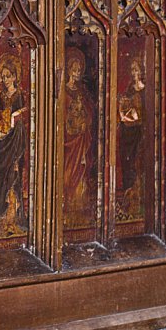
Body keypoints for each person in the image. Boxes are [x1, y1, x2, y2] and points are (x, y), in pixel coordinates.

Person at [0, 53, 28, 233]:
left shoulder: (19, 94)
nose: (4, 79)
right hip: (3, 140)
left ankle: (15, 214)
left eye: (7, 76)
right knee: (1, 175)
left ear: (14, 76)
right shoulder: (2, 95)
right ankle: (2, 214)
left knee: (14, 173)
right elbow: (1, 112)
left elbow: (25, 111)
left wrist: (13, 115)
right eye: (2, 76)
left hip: (16, 140)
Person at [63, 48, 94, 228]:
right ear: (67, 70)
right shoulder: (64, 90)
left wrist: (85, 122)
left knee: (80, 170)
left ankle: (78, 205)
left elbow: (89, 112)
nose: (76, 74)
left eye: (78, 71)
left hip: (81, 139)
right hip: (68, 139)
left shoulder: (81, 91)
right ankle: (66, 202)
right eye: (73, 70)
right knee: (68, 172)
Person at [118, 56, 146, 199]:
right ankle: (128, 187)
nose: (134, 72)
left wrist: (138, 114)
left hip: (139, 131)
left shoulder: (145, 90)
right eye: (132, 70)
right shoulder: (130, 88)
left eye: (136, 69)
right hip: (128, 129)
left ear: (141, 71)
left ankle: (137, 188)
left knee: (137, 158)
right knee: (127, 158)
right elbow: (126, 105)